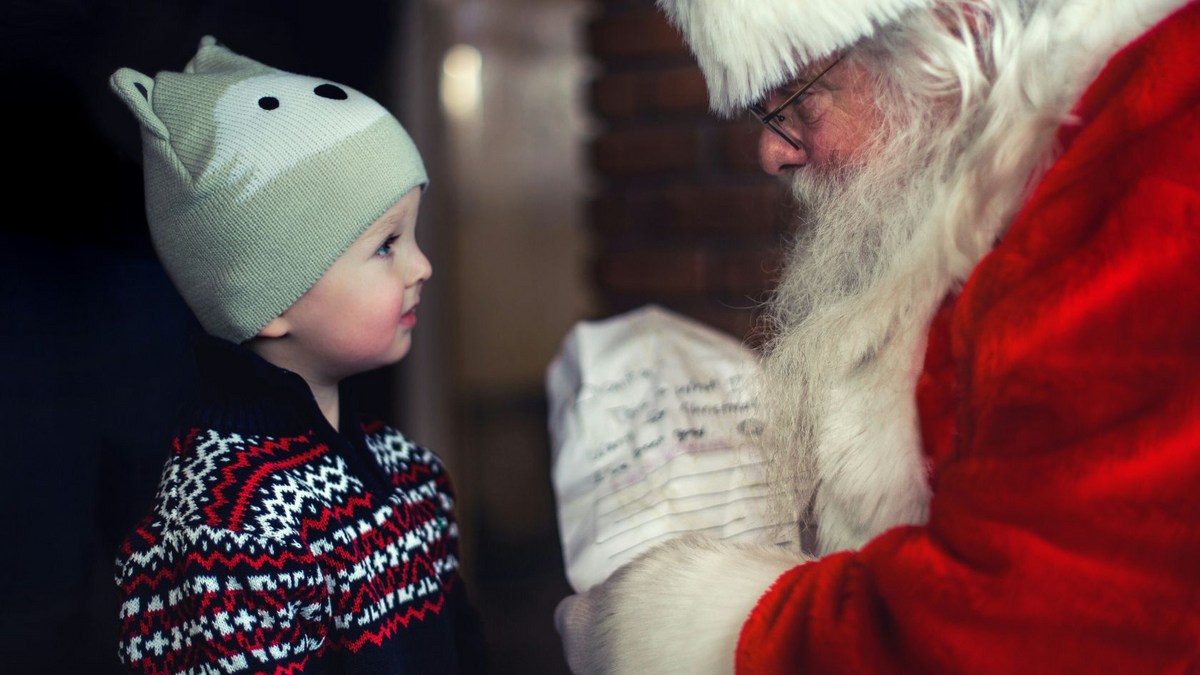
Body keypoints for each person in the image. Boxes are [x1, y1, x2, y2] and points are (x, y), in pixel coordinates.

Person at [555, 0, 1200, 672]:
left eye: (794, 99)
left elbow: (1037, 624)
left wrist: (687, 628)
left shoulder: (1160, 152)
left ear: (952, 29)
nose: (772, 152)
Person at [109, 36, 485, 673]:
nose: (421, 266)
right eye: (386, 245)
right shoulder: (226, 530)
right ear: (269, 299)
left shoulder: (412, 474)